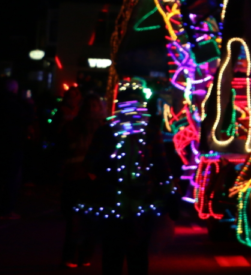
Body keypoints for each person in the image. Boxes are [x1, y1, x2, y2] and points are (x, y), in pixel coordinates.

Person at [83, 78, 171, 275]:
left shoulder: (149, 131)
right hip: (114, 201)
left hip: (141, 201)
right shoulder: (107, 131)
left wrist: (166, 191)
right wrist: (103, 184)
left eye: (136, 103)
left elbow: (161, 165)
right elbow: (90, 166)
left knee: (136, 254)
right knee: (115, 254)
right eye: (128, 103)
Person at [59, 93, 105, 268]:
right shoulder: (72, 127)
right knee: (75, 220)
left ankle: (85, 255)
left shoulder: (104, 128)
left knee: (92, 219)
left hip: (94, 179)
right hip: (75, 177)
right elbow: (62, 150)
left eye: (95, 105)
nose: (92, 109)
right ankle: (71, 255)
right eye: (89, 105)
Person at [0, 78, 32, 220]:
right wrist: (29, 105)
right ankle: (7, 210)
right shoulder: (16, 104)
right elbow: (27, 119)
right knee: (11, 179)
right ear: (15, 89)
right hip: (13, 145)